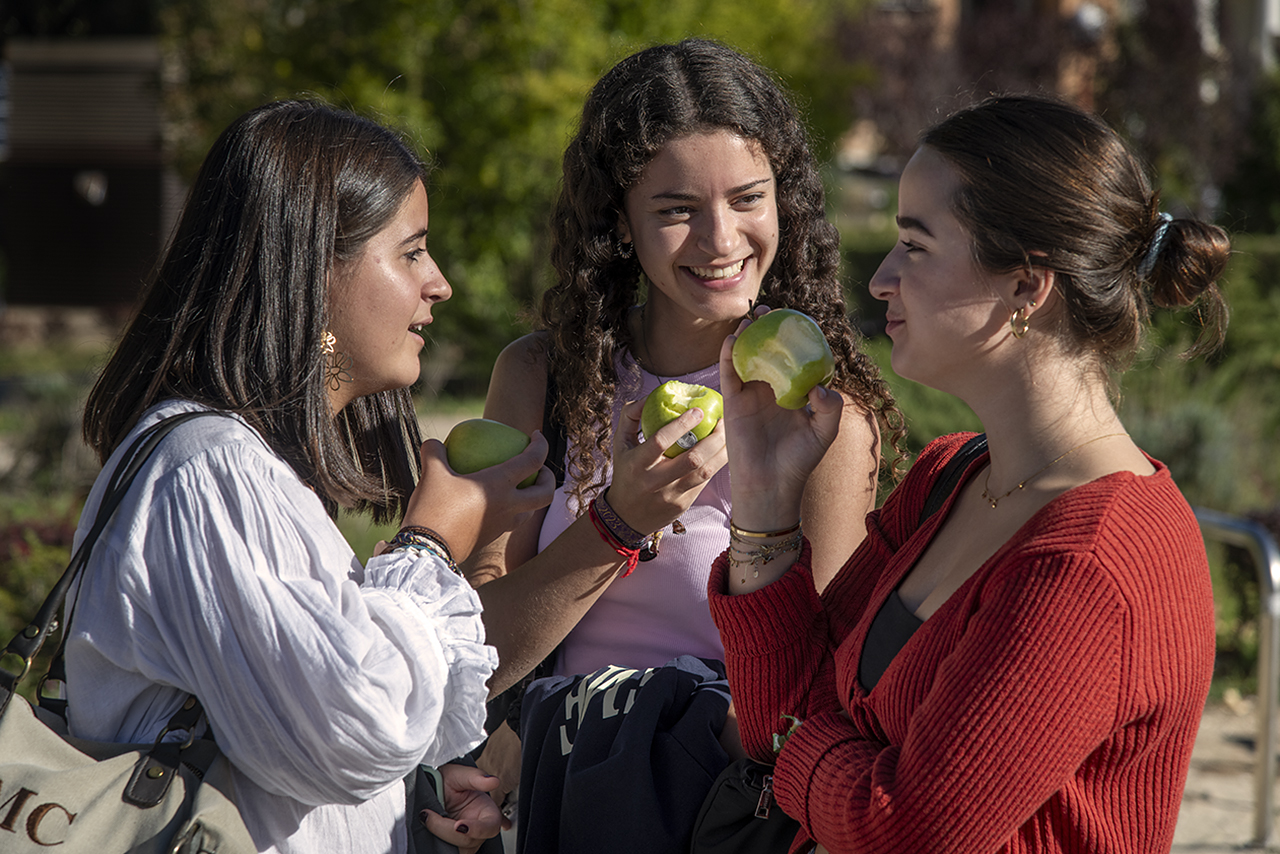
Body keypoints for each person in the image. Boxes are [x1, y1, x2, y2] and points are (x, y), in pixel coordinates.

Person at [709, 93, 1230, 853]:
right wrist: (762, 499)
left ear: (1027, 285)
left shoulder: (1090, 566)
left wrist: (804, 747)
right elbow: (773, 716)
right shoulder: (948, 476)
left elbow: (904, 829)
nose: (882, 278)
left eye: (915, 246)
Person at [65, 100, 555, 854]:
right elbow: (350, 728)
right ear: (313, 269)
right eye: (412, 252)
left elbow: (289, 726)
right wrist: (428, 544)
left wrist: (411, 788)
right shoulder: (210, 474)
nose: (440, 284)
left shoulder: (242, 469)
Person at [466, 39, 901, 800]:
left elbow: (819, 699)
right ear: (619, 223)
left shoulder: (823, 418)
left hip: (705, 815)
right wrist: (620, 521)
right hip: (550, 804)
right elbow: (476, 655)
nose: (722, 240)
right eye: (676, 210)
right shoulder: (541, 379)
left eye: (747, 198)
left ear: (784, 201)